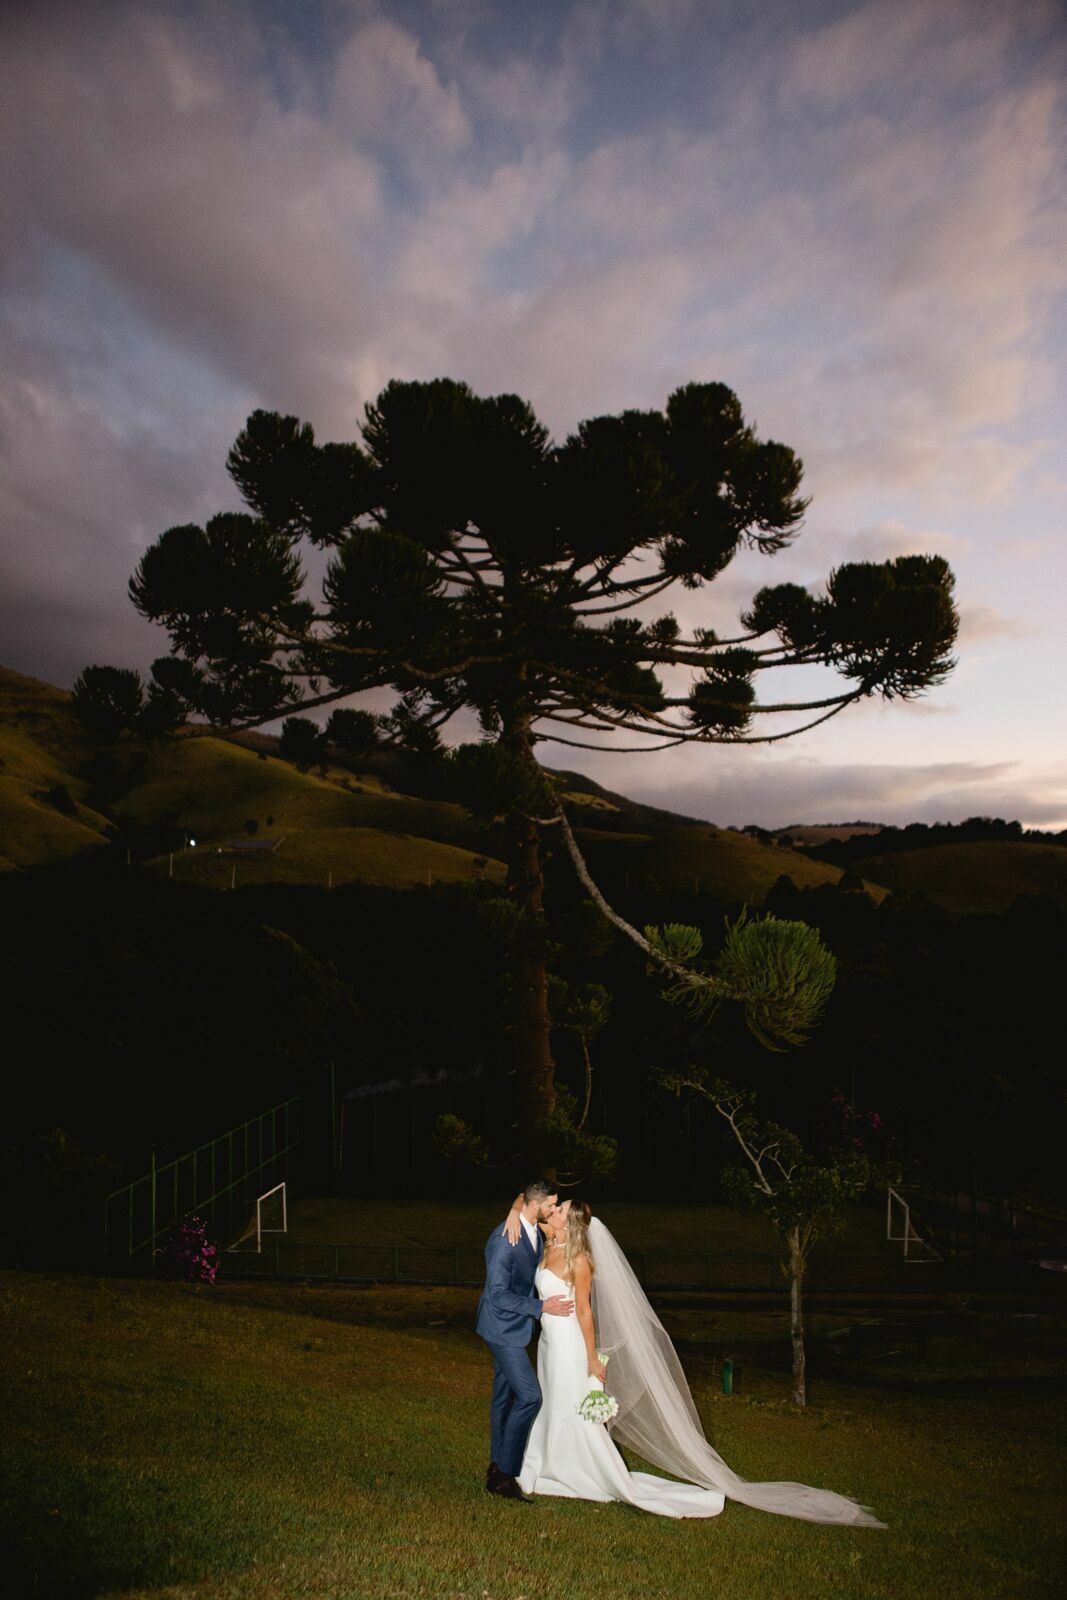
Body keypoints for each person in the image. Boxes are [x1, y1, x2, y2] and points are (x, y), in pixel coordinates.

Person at [503, 1198, 885, 1527]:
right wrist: (514, 1209)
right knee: (551, 1404)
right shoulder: (547, 1243)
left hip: (571, 1345)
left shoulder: (580, 1260)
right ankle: (549, 1462)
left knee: (572, 1408)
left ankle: (584, 1472)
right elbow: (524, 1200)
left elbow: (585, 1312)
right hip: (549, 1346)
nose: (553, 1210)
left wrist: (591, 1359)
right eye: (555, 1207)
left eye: (560, 1209)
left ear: (568, 1223)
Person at [475, 1179, 575, 1503]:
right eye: (552, 1205)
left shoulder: (531, 1224)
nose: (554, 1210)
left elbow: (522, 1195)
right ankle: (505, 1474)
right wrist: (541, 1307)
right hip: (501, 1329)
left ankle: (495, 1466)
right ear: (537, 1204)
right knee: (531, 1397)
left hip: (515, 1328)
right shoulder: (505, 1240)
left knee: (503, 1397)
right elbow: (497, 1294)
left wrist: (515, 1206)